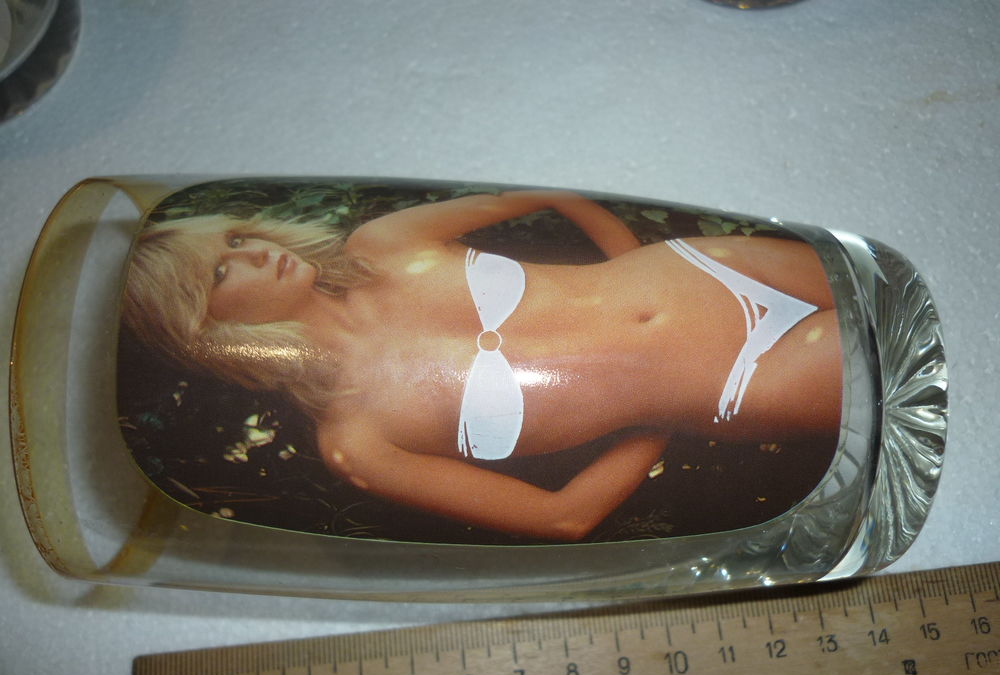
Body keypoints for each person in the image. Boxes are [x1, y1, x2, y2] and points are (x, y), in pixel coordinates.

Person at [123, 190, 841, 541]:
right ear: (201, 329)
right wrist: (669, 412)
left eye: (236, 237)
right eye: (222, 271)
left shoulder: (382, 245)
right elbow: (564, 517)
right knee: (901, 350)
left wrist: (638, 263)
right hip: (743, 383)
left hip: (708, 268)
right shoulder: (357, 441)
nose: (255, 251)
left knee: (893, 276)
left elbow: (547, 188)